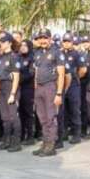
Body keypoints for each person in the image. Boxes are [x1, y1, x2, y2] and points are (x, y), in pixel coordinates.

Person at [31, 29, 65, 157]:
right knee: (42, 117)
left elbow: (61, 74)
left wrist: (59, 93)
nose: (43, 40)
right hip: (39, 88)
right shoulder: (37, 53)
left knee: (50, 117)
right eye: (40, 38)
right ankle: (45, 143)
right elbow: (36, 71)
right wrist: (35, 86)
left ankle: (51, 145)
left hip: (51, 87)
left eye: (45, 38)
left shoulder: (57, 52)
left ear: (50, 39)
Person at [0, 33, 23, 152]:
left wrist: (13, 94)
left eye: (4, 41)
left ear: (10, 43)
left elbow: (16, 77)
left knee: (13, 116)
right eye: (0, 41)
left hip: (10, 87)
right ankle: (7, 140)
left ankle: (16, 143)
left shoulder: (14, 56)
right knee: (5, 117)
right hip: (1, 87)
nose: (1, 43)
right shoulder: (1, 57)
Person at [60, 34, 85, 145]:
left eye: (68, 41)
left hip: (73, 86)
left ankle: (76, 134)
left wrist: (76, 77)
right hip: (62, 85)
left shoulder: (76, 54)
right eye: (64, 41)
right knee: (63, 110)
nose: (66, 43)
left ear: (72, 42)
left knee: (75, 110)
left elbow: (83, 69)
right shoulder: (59, 53)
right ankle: (64, 132)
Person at [17, 38, 37, 146]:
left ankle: (30, 136)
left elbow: (31, 73)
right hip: (18, 88)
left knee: (28, 113)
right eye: (21, 45)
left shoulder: (32, 58)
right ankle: (21, 134)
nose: (23, 47)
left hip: (28, 89)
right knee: (20, 112)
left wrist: (18, 78)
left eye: (25, 45)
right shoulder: (18, 57)